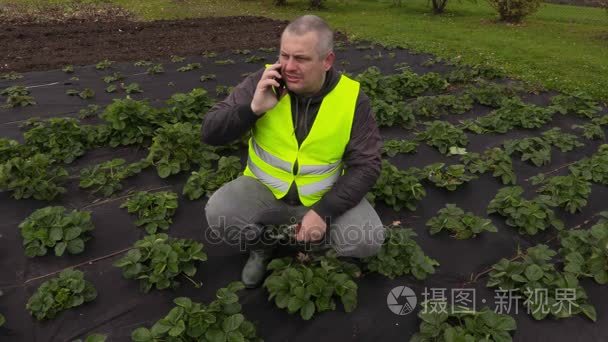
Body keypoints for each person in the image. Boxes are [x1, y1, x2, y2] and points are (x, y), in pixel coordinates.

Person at [201, 14, 385, 288]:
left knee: (367, 239)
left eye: (301, 58)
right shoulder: (263, 82)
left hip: (321, 195)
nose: (288, 67)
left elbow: (368, 164)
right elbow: (209, 133)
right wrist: (252, 109)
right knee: (220, 212)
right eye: (284, 55)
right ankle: (262, 247)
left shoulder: (352, 98)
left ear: (327, 61)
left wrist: (324, 211)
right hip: (265, 190)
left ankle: (315, 242)